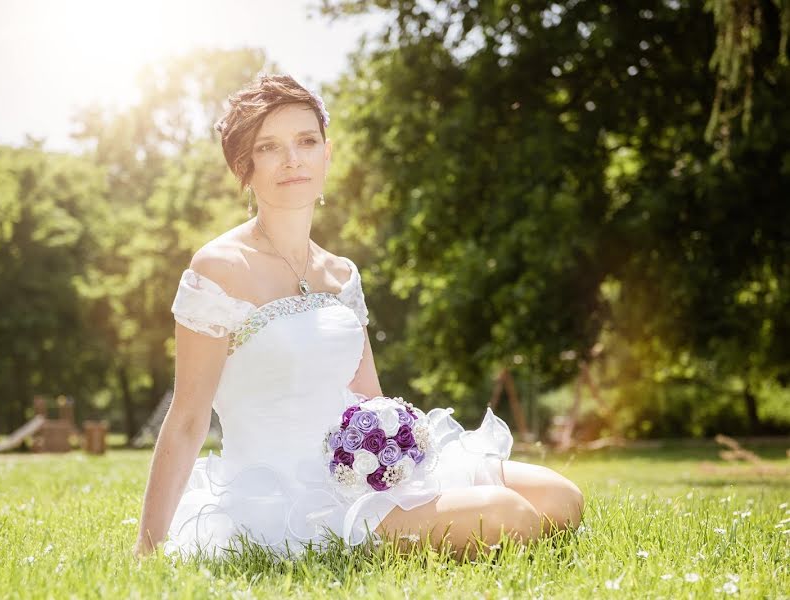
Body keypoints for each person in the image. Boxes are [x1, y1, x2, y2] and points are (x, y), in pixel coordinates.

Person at [132, 74, 584, 562]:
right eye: (269, 147)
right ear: (245, 166)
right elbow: (188, 417)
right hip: (290, 494)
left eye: (307, 141)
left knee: (562, 499)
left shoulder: (341, 273)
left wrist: (397, 456)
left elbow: (370, 399)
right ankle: (383, 539)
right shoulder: (218, 268)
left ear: (326, 154)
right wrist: (147, 546)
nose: (292, 159)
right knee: (505, 514)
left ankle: (416, 523)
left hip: (366, 472)